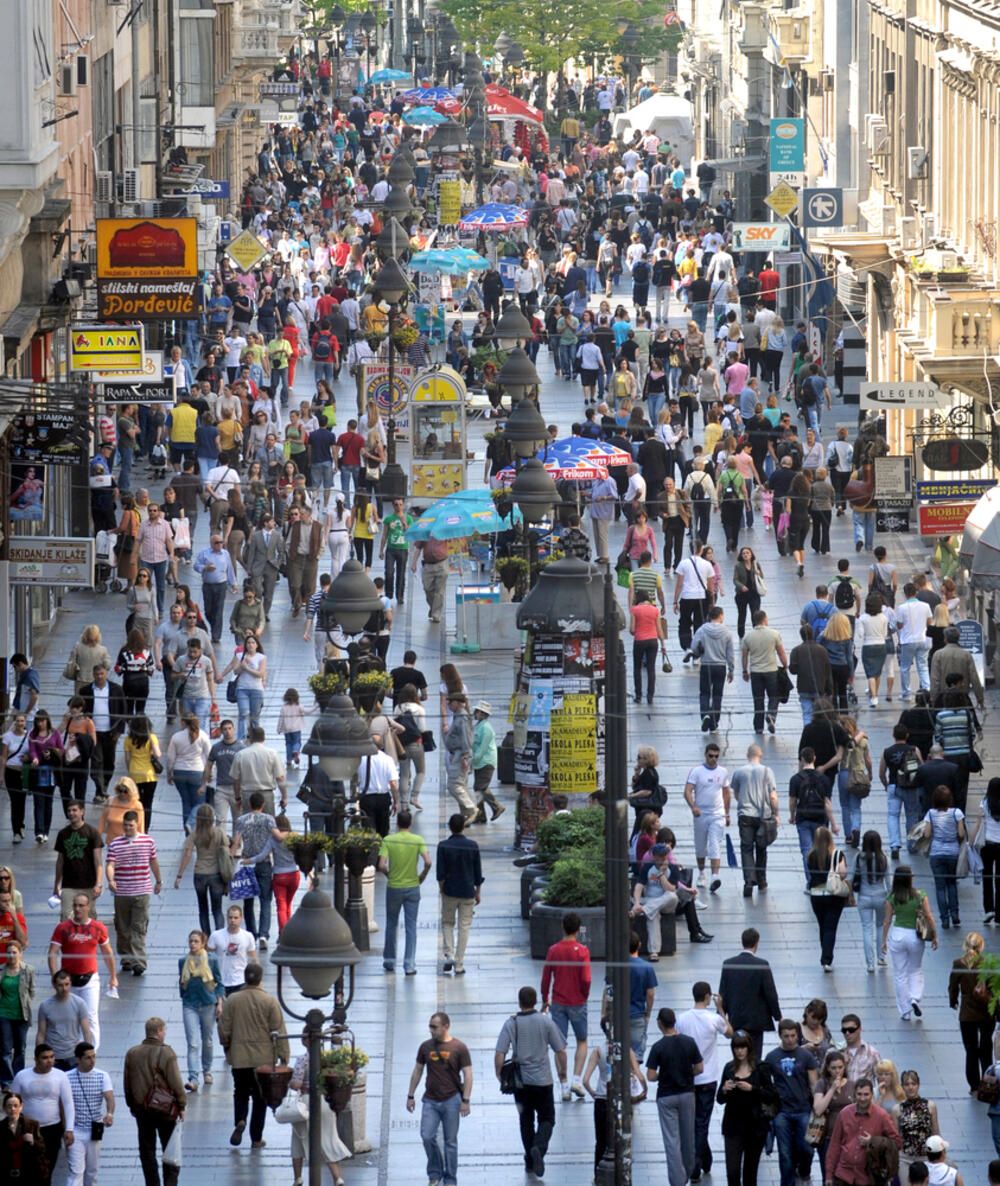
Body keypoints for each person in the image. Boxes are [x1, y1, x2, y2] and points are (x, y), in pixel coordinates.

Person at [493, 986, 567, 1178]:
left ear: (519, 1002)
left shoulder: (512, 1024)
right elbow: (561, 1050)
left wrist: (499, 1073)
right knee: (547, 1118)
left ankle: (529, 1160)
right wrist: (563, 1072)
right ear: (535, 1001)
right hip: (543, 1081)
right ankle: (538, 1148)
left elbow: (500, 1052)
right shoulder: (546, 1022)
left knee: (526, 1121)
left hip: (521, 1083)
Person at [218, 961, 288, 1149]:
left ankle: (240, 1119)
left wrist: (227, 1046)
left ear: (244, 977)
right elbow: (278, 1030)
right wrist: (284, 1055)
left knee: (240, 1092)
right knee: (260, 1098)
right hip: (263, 1059)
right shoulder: (269, 1001)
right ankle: (256, 1137)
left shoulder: (232, 1000)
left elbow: (223, 1027)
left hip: (240, 1057)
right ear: (261, 979)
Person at [405, 1012, 473, 1186]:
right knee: (427, 1136)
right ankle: (435, 1172)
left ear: (446, 1027)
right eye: (430, 1026)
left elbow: (468, 1074)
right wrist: (410, 1095)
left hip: (452, 1099)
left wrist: (465, 1100)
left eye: (434, 1027)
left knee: (450, 1141)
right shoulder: (425, 1047)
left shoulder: (459, 1047)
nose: (431, 1030)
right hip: (430, 1100)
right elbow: (418, 1071)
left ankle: (450, 1178)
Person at [47, 894, 118, 1051]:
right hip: (68, 981)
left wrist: (113, 976)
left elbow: (107, 952)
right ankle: (71, 1050)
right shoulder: (63, 928)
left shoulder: (98, 927)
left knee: (91, 1016)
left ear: (88, 907)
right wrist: (54, 976)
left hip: (90, 978)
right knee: (69, 1016)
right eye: (75, 905)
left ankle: (91, 1051)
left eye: (81, 905)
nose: (77, 909)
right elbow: (53, 952)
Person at [677, 983, 733, 1182]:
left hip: (688, 1078)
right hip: (708, 1079)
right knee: (702, 1124)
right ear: (708, 996)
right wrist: (721, 1009)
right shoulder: (714, 1019)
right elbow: (730, 1033)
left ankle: (703, 1160)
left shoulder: (681, 1019)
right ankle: (695, 1167)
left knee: (693, 1124)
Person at [123, 1017, 185, 1186]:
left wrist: (131, 1104)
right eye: (164, 1030)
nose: (165, 1033)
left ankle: (152, 1183)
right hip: (164, 1110)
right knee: (170, 1149)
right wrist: (182, 1104)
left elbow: (127, 1082)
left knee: (147, 1150)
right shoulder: (166, 1052)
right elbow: (176, 1082)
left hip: (142, 1110)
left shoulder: (132, 1053)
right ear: (158, 1032)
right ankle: (170, 1182)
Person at [646, 1006, 704, 1186]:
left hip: (666, 1096)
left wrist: (664, 1075)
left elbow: (650, 1075)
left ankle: (677, 1180)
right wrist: (687, 1073)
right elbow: (700, 1067)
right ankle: (688, 1169)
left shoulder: (658, 1047)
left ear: (660, 1024)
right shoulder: (689, 1042)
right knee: (688, 1135)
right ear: (674, 1022)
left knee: (672, 1140)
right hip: (687, 1093)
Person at [287, 1033, 351, 1186]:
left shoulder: (302, 1060)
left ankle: (298, 1178)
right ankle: (337, 1177)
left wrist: (289, 1083)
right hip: (325, 1101)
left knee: (298, 1138)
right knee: (328, 1138)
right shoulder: (328, 1060)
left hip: (306, 1102)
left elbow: (296, 1084)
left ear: (304, 1041)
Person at [540, 911, 592, 1102]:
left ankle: (563, 1085)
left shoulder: (553, 950)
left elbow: (546, 977)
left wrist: (545, 998)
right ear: (578, 929)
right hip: (578, 1002)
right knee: (582, 1040)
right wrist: (584, 995)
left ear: (562, 926)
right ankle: (577, 1079)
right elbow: (586, 979)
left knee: (559, 1045)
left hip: (559, 1002)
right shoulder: (583, 951)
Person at [764, 1019, 818, 1186]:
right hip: (782, 1111)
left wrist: (817, 1106)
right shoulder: (772, 1057)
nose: (790, 1039)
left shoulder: (806, 1056)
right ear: (780, 1035)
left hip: (803, 1108)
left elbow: (814, 1083)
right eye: (786, 1036)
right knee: (785, 1153)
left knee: (807, 1149)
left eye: (793, 1036)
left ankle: (804, 1170)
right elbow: (766, 1083)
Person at [105, 812, 160, 976]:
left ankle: (139, 961)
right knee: (122, 927)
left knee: (138, 927)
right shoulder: (115, 844)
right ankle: (126, 958)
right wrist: (110, 879)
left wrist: (159, 880)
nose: (128, 828)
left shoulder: (148, 841)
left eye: (131, 825)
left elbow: (153, 862)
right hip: (122, 892)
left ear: (137, 824)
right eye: (126, 825)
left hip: (141, 891)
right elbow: (110, 865)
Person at [717, 1031, 775, 1186]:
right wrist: (724, 1089)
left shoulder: (761, 1067)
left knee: (750, 1173)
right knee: (732, 1172)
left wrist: (752, 1089)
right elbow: (720, 1099)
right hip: (733, 1126)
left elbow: (771, 1095)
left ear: (749, 1048)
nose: (740, 1051)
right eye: (736, 1047)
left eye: (743, 1047)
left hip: (755, 1127)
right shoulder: (729, 1068)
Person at [377, 810, 431, 976]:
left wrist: (388, 874)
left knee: (391, 923)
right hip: (412, 886)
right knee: (411, 926)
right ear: (411, 823)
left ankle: (390, 960)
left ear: (397, 823)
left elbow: (381, 865)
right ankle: (409, 964)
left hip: (394, 887)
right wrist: (421, 876)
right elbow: (428, 862)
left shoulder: (388, 840)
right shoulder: (417, 840)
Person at [10, 1044, 73, 1185]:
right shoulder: (22, 1076)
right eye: (45, 1058)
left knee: (48, 1167)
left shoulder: (60, 1076)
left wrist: (69, 1128)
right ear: (36, 1059)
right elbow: (13, 1102)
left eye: (52, 1057)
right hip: (28, 1128)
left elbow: (68, 1103)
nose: (49, 1061)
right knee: (30, 1167)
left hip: (52, 1128)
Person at [882, 865, 937, 1020]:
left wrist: (883, 940)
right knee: (915, 968)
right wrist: (935, 936)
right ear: (909, 878)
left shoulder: (892, 897)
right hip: (915, 936)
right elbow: (928, 916)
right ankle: (914, 997)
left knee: (899, 973)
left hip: (898, 934)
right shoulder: (920, 895)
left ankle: (904, 1010)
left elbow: (887, 921)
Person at [717, 928, 781, 1061]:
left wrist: (721, 1016)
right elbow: (770, 993)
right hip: (756, 1020)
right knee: (755, 1055)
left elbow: (723, 992)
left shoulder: (729, 964)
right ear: (756, 943)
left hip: (736, 1018)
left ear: (742, 942)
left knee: (739, 1053)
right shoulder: (762, 965)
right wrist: (778, 1016)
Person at [824, 1078, 901, 1186]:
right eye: (859, 1094)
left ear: (872, 1095)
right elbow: (834, 1145)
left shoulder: (882, 1115)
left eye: (866, 1094)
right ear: (854, 1095)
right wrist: (828, 1175)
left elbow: (897, 1142)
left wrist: (873, 1141)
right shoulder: (844, 1114)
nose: (862, 1098)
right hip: (844, 1175)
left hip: (869, 1177)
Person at [436, 814, 483, 977]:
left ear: (450, 827)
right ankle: (459, 963)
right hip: (468, 891)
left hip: (449, 890)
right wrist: (478, 892)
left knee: (447, 923)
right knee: (464, 927)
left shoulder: (443, 846)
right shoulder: (472, 845)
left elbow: (440, 873)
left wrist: (442, 890)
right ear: (463, 826)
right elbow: (478, 872)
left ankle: (449, 954)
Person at [178, 929, 224, 1093]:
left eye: (196, 941)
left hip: (207, 1004)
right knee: (193, 1043)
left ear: (203, 943)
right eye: (191, 941)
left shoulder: (211, 960)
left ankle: (207, 1070)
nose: (193, 944)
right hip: (190, 1005)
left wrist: (219, 1003)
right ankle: (193, 1077)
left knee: (208, 1040)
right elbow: (181, 983)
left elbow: (219, 981)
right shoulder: (183, 961)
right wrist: (184, 997)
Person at [731, 745, 780, 898]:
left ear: (748, 755)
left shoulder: (739, 772)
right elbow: (773, 796)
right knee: (761, 848)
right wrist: (776, 814)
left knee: (746, 848)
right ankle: (762, 881)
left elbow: (736, 794)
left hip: (745, 814)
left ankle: (748, 881)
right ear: (761, 755)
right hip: (763, 815)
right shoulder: (767, 771)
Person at [64, 1042, 114, 1186]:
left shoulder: (102, 1076)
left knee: (92, 1171)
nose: (92, 1061)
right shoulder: (67, 1077)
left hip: (95, 1128)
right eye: (88, 1058)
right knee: (76, 1171)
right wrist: (67, 1128)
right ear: (78, 1059)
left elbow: (109, 1097)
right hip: (75, 1129)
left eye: (94, 1057)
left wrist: (109, 1114)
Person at [683, 744, 731, 890]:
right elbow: (687, 791)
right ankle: (702, 872)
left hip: (717, 814)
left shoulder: (723, 772)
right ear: (705, 755)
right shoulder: (697, 771)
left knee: (715, 843)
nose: (713, 759)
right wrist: (693, 807)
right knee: (701, 845)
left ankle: (715, 876)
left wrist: (727, 814)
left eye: (716, 756)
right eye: (711, 756)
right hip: (701, 814)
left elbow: (726, 793)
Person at [921, 785, 966, 930]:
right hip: (952, 852)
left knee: (940, 887)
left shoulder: (930, 814)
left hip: (936, 853)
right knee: (951, 884)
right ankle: (955, 914)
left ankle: (944, 919)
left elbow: (927, 834)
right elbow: (961, 834)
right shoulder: (957, 813)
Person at [789, 750, 838, 883]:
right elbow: (827, 803)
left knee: (806, 849)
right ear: (814, 758)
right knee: (822, 848)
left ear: (802, 759)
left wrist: (792, 816)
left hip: (803, 818)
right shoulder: (823, 779)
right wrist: (834, 824)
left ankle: (810, 880)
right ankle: (822, 877)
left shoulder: (796, 779)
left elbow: (792, 800)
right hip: (820, 819)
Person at [52, 800, 104, 920]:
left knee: (89, 919)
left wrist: (98, 884)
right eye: (69, 811)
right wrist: (57, 885)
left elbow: (98, 861)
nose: (71, 813)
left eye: (74, 810)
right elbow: (60, 861)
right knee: (66, 918)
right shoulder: (63, 834)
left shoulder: (92, 832)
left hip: (88, 885)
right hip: (68, 885)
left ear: (82, 811)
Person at [741, 610, 787, 734]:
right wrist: (785, 665)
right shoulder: (774, 634)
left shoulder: (747, 636)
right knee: (774, 696)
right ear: (765, 619)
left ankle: (758, 727)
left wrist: (745, 671)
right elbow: (780, 652)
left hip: (756, 672)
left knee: (758, 699)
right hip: (771, 670)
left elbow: (744, 656)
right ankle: (771, 715)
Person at [690, 606, 736, 732]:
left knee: (704, 693)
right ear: (721, 615)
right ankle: (714, 723)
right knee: (717, 695)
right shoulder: (727, 632)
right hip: (720, 667)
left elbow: (694, 647)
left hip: (706, 665)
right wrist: (731, 670)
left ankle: (705, 715)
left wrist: (698, 653)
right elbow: (730, 653)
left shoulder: (702, 630)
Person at [36, 971, 91, 1071]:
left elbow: (86, 1030)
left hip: (73, 1055)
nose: (64, 988)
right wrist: (39, 1056)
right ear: (54, 985)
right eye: (60, 985)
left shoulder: (79, 1003)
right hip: (52, 1056)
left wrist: (87, 1054)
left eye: (67, 984)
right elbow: (41, 1033)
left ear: (70, 984)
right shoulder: (45, 1005)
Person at [891, 1071, 940, 1184]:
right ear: (902, 1086)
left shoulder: (930, 1106)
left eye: (913, 1084)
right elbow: (895, 1138)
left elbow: (936, 1132)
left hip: (926, 1157)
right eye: (907, 1084)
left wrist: (941, 1155)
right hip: (905, 1157)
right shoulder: (896, 1110)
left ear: (918, 1085)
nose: (910, 1087)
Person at [853, 831, 889, 973]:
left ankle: (869, 963)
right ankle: (881, 957)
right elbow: (889, 881)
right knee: (880, 926)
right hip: (881, 896)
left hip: (864, 897)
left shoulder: (858, 858)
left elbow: (851, 878)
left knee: (867, 929)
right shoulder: (883, 858)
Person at [193, 534, 239, 644]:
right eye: (216, 543)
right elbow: (196, 566)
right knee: (208, 610)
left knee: (218, 610)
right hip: (208, 585)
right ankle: (214, 625)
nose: (219, 545)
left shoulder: (225, 554)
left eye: (221, 542)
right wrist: (205, 568)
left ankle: (216, 634)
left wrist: (234, 583)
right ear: (211, 543)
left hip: (221, 585)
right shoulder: (204, 553)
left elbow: (230, 569)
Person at [0, 941, 33, 1086]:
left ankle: (18, 1080)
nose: (12, 955)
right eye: (9, 952)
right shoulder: (1, 970)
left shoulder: (28, 970)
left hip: (22, 1014)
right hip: (4, 1013)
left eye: (14, 952)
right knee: (5, 1049)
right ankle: (7, 1081)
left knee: (20, 1049)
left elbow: (31, 991)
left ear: (20, 953)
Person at [0, 1089, 51, 1182]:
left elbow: (42, 1149)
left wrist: (33, 1142)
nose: (12, 1109)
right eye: (9, 1106)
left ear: (21, 1107)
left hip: (28, 1174)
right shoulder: (1, 1127)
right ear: (4, 1108)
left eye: (16, 1106)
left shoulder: (32, 1125)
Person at [206, 904, 257, 995]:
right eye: (230, 917)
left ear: (241, 918)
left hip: (241, 980)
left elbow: (253, 960)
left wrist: (256, 981)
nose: (232, 920)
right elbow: (208, 958)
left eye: (236, 918)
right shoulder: (216, 935)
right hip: (220, 981)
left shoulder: (248, 936)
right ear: (227, 918)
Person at [471, 701, 504, 822]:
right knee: (478, 788)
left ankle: (497, 807)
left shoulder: (486, 728)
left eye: (476, 711)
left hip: (486, 762)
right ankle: (481, 814)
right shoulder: (479, 725)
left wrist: (471, 762)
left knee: (481, 787)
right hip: (480, 762)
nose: (474, 713)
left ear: (481, 713)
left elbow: (482, 749)